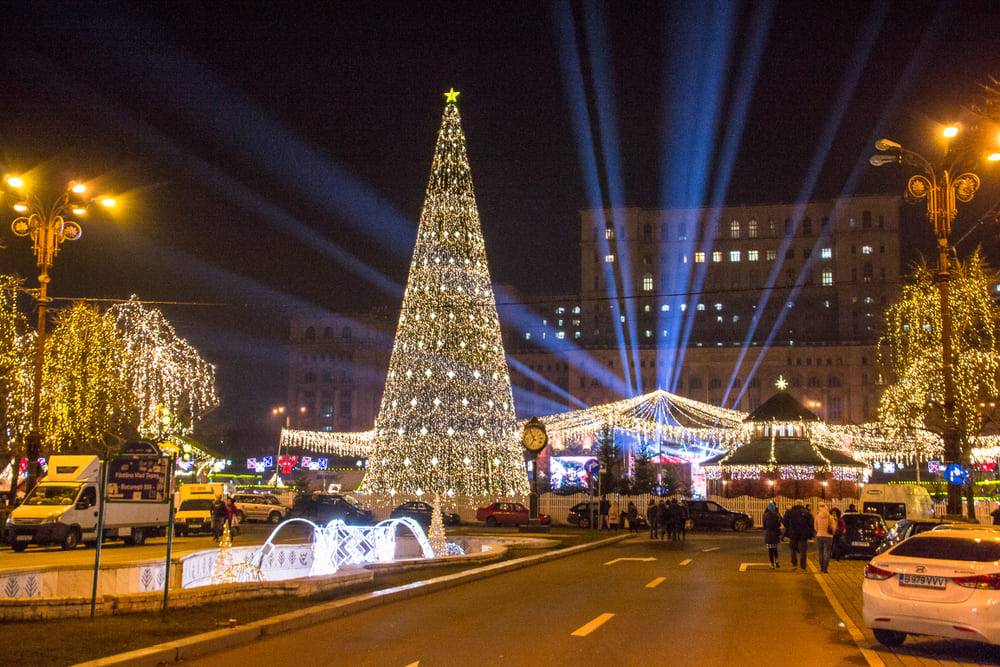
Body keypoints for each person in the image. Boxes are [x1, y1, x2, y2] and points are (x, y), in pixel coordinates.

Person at [784, 500, 813, 571]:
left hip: (793, 534)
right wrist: (809, 533)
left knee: (793, 550)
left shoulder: (791, 512)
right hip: (803, 535)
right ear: (802, 504)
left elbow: (785, 522)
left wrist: (789, 530)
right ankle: (803, 567)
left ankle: (794, 564)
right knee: (803, 551)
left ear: (795, 504)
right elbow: (811, 523)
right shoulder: (806, 512)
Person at [814, 502, 836, 573]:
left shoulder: (817, 516)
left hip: (819, 536)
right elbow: (833, 528)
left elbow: (815, 528)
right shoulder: (830, 517)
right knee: (827, 552)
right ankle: (825, 569)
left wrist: (819, 531)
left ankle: (821, 568)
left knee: (820, 552)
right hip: (828, 537)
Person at [763, 501, 782, 569]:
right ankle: (776, 560)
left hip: (768, 533)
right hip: (775, 533)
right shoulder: (776, 514)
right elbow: (779, 524)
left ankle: (772, 564)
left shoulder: (765, 515)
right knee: (775, 548)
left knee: (770, 550)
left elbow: (764, 525)